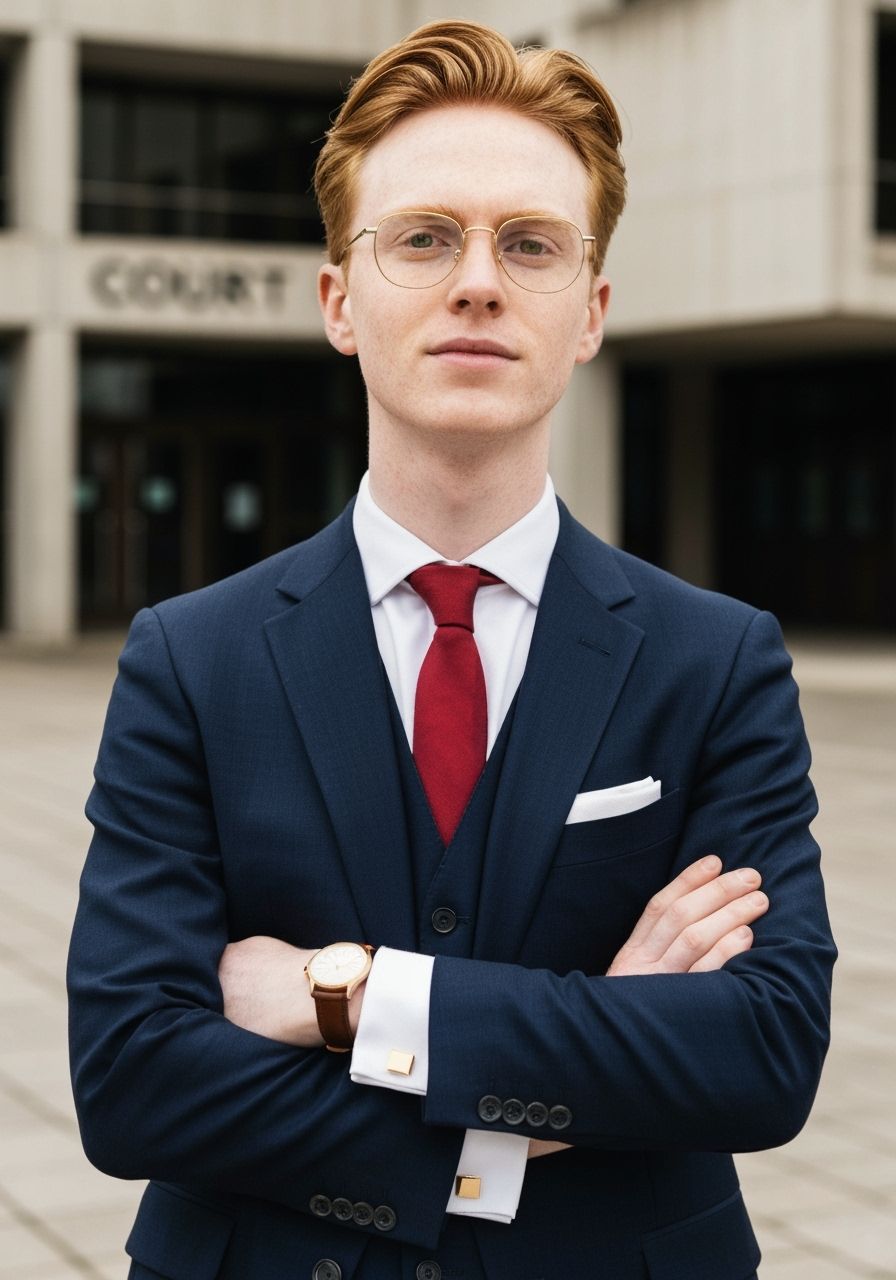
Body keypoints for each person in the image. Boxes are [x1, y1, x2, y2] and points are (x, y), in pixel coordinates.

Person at [67, 20, 836, 1280]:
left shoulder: (717, 660)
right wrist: (511, 1130)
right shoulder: (188, 658)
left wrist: (353, 993)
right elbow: (132, 1077)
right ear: (338, 298)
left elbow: (756, 1054)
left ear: (587, 312)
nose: (476, 280)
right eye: (424, 237)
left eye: (527, 245)